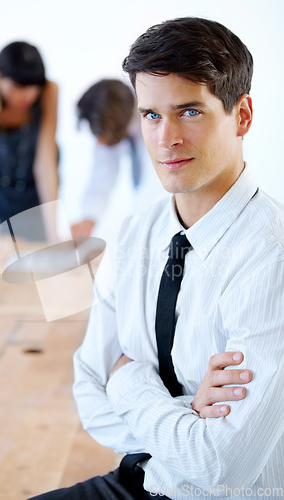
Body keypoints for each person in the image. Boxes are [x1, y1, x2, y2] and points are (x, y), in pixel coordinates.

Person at [28, 16, 284, 500]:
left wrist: (127, 381)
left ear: (243, 116)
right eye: (151, 115)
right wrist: (188, 417)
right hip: (144, 479)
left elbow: (220, 464)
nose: (165, 138)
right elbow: (89, 395)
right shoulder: (133, 235)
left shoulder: (272, 258)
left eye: (189, 112)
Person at [0, 41, 59, 241]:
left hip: (35, 188)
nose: (30, 94)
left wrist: (55, 235)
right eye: (19, 86)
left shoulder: (49, 91)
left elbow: (45, 163)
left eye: (36, 87)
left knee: (41, 247)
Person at [71, 79, 166, 239]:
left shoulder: (155, 125)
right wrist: (89, 217)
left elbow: (154, 190)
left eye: (100, 135)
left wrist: (130, 235)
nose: (99, 143)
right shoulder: (111, 121)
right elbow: (102, 176)